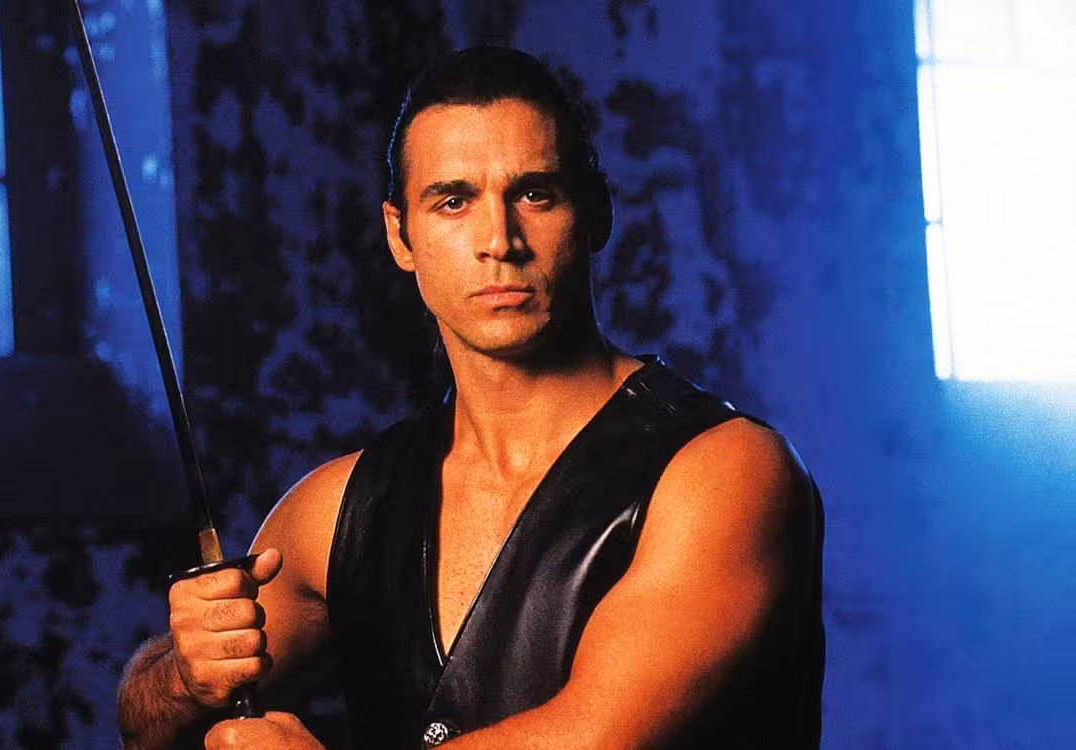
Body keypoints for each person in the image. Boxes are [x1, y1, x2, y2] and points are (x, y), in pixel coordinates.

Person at [116, 46, 824, 750]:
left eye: (535, 194)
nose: (499, 241)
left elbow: (590, 738)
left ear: (595, 213)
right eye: (453, 201)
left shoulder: (725, 474)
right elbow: (148, 732)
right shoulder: (337, 512)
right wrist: (184, 677)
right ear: (400, 235)